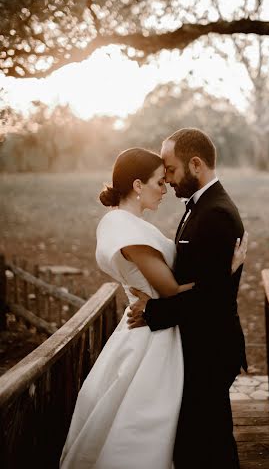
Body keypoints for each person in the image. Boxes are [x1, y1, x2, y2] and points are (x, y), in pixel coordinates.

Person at [60, 146, 247, 469]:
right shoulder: (127, 227)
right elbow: (170, 289)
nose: (166, 188)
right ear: (137, 185)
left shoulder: (130, 223)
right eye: (160, 181)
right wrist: (225, 274)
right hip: (151, 335)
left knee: (168, 422)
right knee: (144, 418)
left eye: (167, 177)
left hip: (158, 326)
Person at [127, 128, 247, 469]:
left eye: (171, 169)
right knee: (206, 440)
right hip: (201, 341)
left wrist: (152, 313)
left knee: (209, 443)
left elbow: (209, 299)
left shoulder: (216, 213)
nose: (166, 178)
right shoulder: (199, 206)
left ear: (195, 164)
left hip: (211, 347)